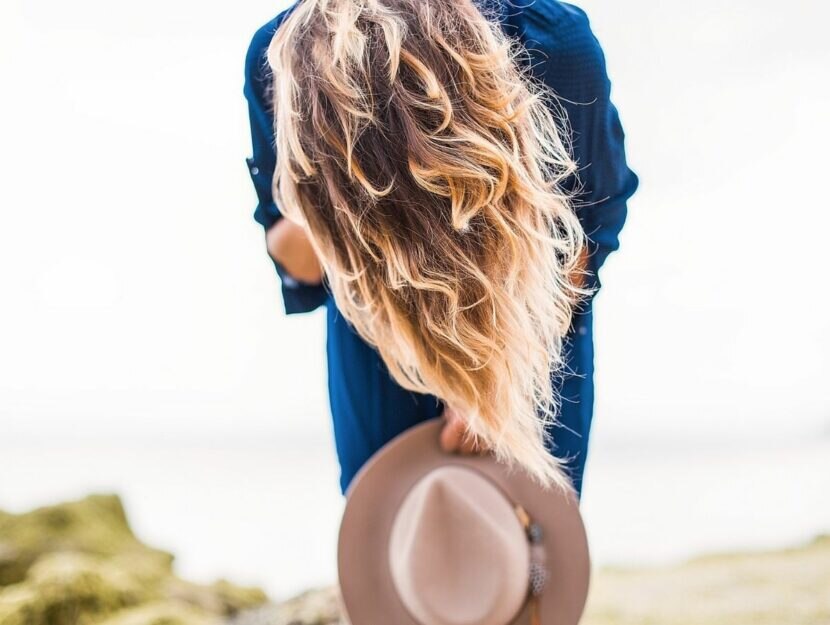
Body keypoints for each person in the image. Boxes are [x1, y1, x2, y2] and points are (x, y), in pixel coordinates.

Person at [243, 0, 638, 496]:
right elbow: (295, 259)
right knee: (392, 554)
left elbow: (584, 236)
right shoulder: (279, 55)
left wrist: (495, 391)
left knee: (529, 558)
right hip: (376, 342)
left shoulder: (549, 39)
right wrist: (335, 187)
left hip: (532, 337)